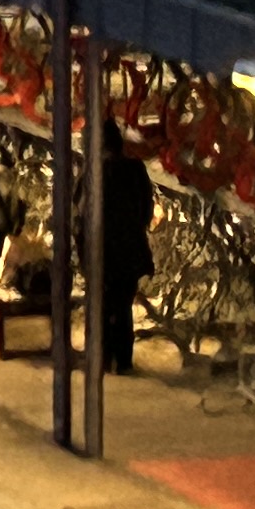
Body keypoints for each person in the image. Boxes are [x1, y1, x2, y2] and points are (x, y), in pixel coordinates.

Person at [96, 126, 158, 376]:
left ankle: (103, 357)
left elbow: (83, 212)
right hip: (130, 249)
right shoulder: (136, 169)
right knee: (122, 305)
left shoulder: (97, 172)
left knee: (103, 304)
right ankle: (123, 360)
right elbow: (146, 210)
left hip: (103, 250)